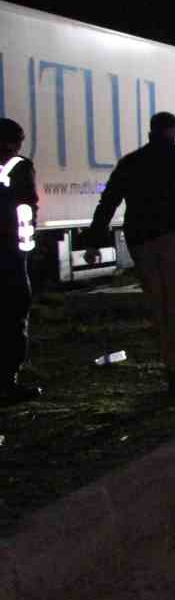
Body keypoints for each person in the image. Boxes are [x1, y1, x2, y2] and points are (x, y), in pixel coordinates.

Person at [83, 111, 175, 395]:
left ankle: (169, 364)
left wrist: (93, 241)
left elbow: (108, 202)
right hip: (173, 236)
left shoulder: (131, 162)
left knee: (157, 305)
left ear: (151, 130)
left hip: (140, 240)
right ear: (174, 131)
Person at [0, 118, 42, 403]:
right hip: (10, 254)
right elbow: (26, 208)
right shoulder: (20, 167)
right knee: (14, 315)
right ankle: (8, 381)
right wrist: (26, 247)